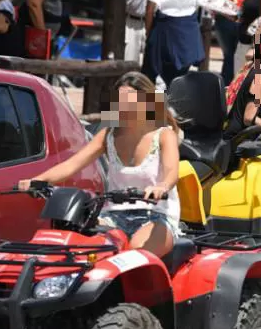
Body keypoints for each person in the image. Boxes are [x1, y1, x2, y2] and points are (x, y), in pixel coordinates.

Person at [18, 72, 180, 257]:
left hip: (156, 215)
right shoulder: (108, 135)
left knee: (135, 255)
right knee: (84, 249)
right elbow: (72, 165)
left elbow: (171, 173)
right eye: (120, 102)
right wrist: (37, 180)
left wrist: (162, 186)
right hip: (113, 216)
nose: (123, 108)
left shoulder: (164, 135)